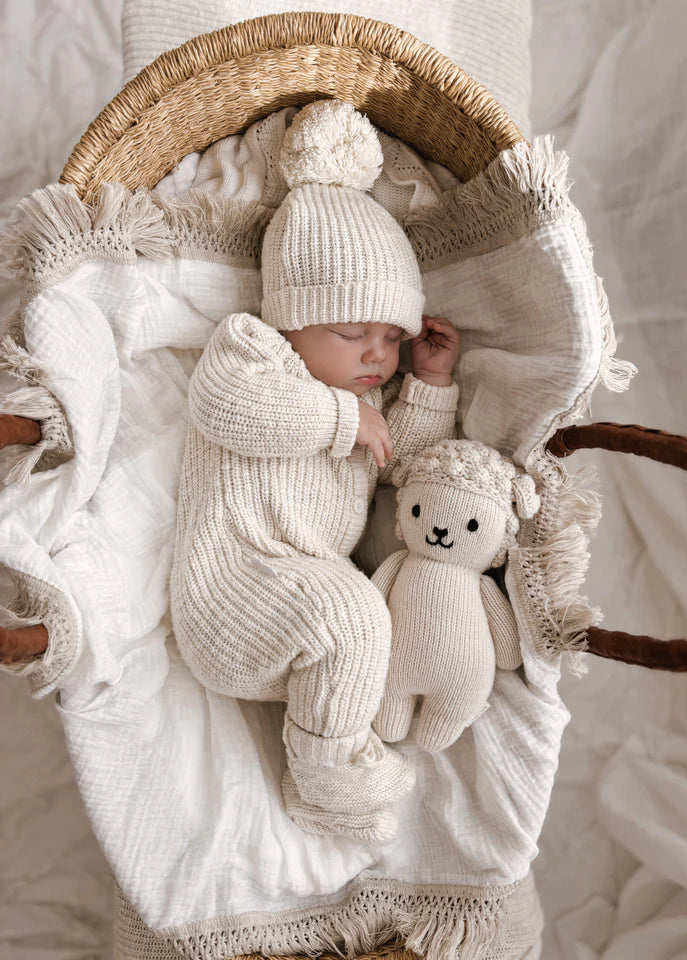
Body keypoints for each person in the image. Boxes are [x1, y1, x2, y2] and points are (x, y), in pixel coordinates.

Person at [169, 99, 461, 842]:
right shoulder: (252, 351)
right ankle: (328, 785)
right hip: (236, 586)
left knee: (374, 621)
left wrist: (425, 385)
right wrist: (337, 419)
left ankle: (339, 738)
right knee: (351, 615)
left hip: (296, 618)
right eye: (351, 331)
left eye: (391, 336)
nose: (376, 354)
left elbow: (401, 462)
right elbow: (225, 409)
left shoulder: (368, 402)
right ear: (290, 319)